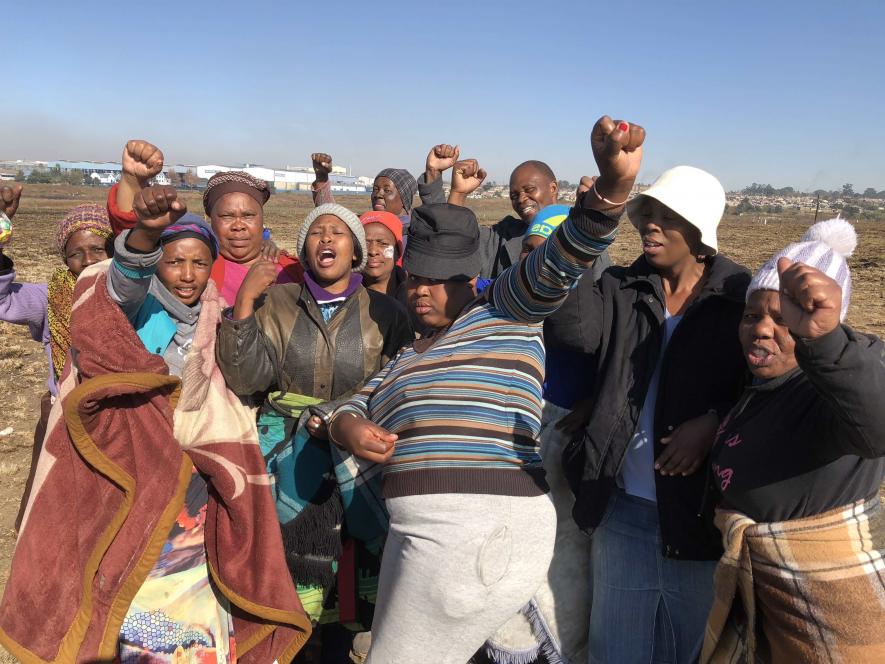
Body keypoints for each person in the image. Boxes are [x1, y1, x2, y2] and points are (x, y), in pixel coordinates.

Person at [325, 115, 644, 664]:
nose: (421, 290)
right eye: (415, 277)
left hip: (476, 526)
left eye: (438, 279)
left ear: (468, 280)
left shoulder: (505, 310)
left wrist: (611, 189)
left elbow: (563, 257)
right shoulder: (407, 356)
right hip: (422, 534)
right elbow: (353, 401)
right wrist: (347, 423)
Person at [0, 185, 312, 663]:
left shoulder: (215, 317)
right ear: (155, 267)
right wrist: (145, 233)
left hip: (193, 496)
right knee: (126, 601)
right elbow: (120, 283)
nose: (187, 276)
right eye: (173, 262)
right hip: (132, 482)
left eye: (199, 264)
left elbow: (232, 389)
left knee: (194, 618)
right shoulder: (133, 309)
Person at [551, 165, 752, 663]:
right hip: (622, 509)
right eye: (647, 215)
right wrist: (584, 226)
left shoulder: (738, 301)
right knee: (615, 650)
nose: (650, 226)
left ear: (699, 230)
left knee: (690, 650)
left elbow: (763, 393)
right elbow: (575, 332)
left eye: (667, 217)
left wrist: (713, 422)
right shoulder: (622, 286)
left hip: (699, 517)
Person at [216, 202, 414, 662]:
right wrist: (244, 303)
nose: (327, 239)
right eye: (317, 232)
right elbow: (246, 381)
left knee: (356, 571)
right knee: (292, 577)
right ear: (305, 249)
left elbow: (395, 386)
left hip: (357, 457)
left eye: (338, 233)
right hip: (288, 457)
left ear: (356, 250)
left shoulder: (387, 312)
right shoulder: (275, 302)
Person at [701, 218, 885, 663]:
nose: (761, 328)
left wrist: (827, 344)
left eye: (783, 319)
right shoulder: (760, 386)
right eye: (752, 315)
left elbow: (877, 422)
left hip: (830, 611)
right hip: (768, 607)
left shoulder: (834, 388)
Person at [0, 185, 114, 530]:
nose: (89, 260)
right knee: (55, 511)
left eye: (98, 249)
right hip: (61, 415)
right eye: (76, 253)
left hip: (115, 417)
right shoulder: (51, 297)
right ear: (64, 259)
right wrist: (2, 227)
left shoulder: (134, 296)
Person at [106, 139, 302, 303]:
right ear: (209, 219)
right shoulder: (199, 267)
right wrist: (132, 180)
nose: (239, 225)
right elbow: (136, 242)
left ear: (262, 219)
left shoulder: (290, 269)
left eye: (248, 215)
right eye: (226, 216)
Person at [420, 147, 568, 278]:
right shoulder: (500, 238)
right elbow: (453, 239)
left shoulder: (580, 233)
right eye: (514, 196)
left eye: (529, 190)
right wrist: (456, 192)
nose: (522, 199)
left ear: (553, 188)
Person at [311, 153, 419, 230]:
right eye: (375, 189)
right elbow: (331, 213)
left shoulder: (418, 232)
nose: (378, 194)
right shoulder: (362, 225)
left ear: (404, 199)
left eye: (387, 190)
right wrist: (321, 177)